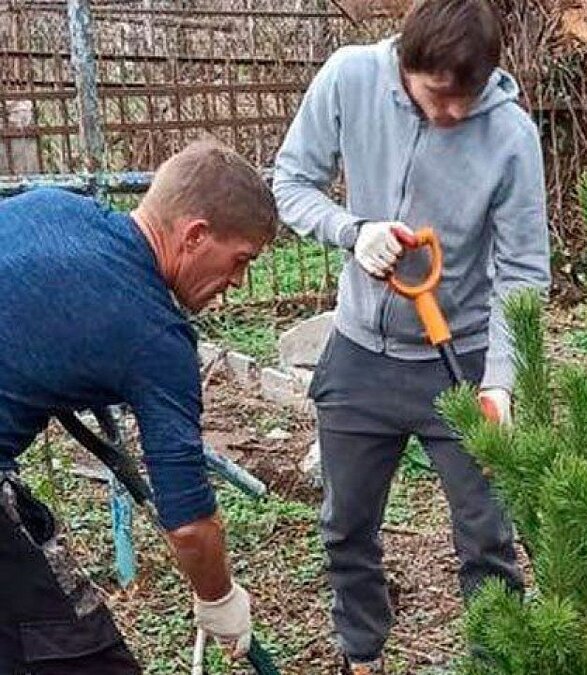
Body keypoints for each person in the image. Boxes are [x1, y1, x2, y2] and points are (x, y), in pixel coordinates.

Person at [272, 0, 550, 671]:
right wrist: (353, 231)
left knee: (487, 537)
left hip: (461, 358)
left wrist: (501, 382)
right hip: (360, 356)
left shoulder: (511, 136)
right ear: (406, 62)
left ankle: (497, 661)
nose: (451, 113)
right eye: (436, 94)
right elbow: (291, 182)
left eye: (466, 98)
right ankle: (361, 655)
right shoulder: (349, 78)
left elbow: (522, 271)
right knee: (345, 526)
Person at [0, 139, 277, 674]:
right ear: (195, 236)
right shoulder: (155, 336)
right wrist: (220, 599)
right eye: (240, 259)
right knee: (79, 654)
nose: (237, 281)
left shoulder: (53, 205)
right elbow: (189, 523)